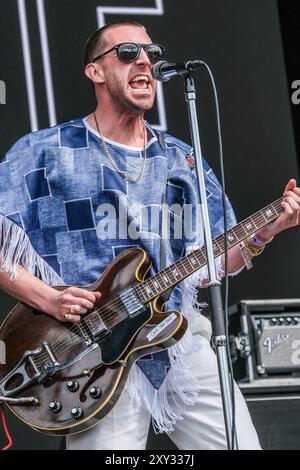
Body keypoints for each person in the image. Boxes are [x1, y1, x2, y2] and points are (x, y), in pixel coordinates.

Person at [0, 20, 300, 450]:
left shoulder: (183, 159)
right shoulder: (45, 152)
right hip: (90, 356)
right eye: (127, 53)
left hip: (177, 339)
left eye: (152, 54)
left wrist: (264, 233)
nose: (145, 61)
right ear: (95, 71)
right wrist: (45, 297)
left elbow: (216, 260)